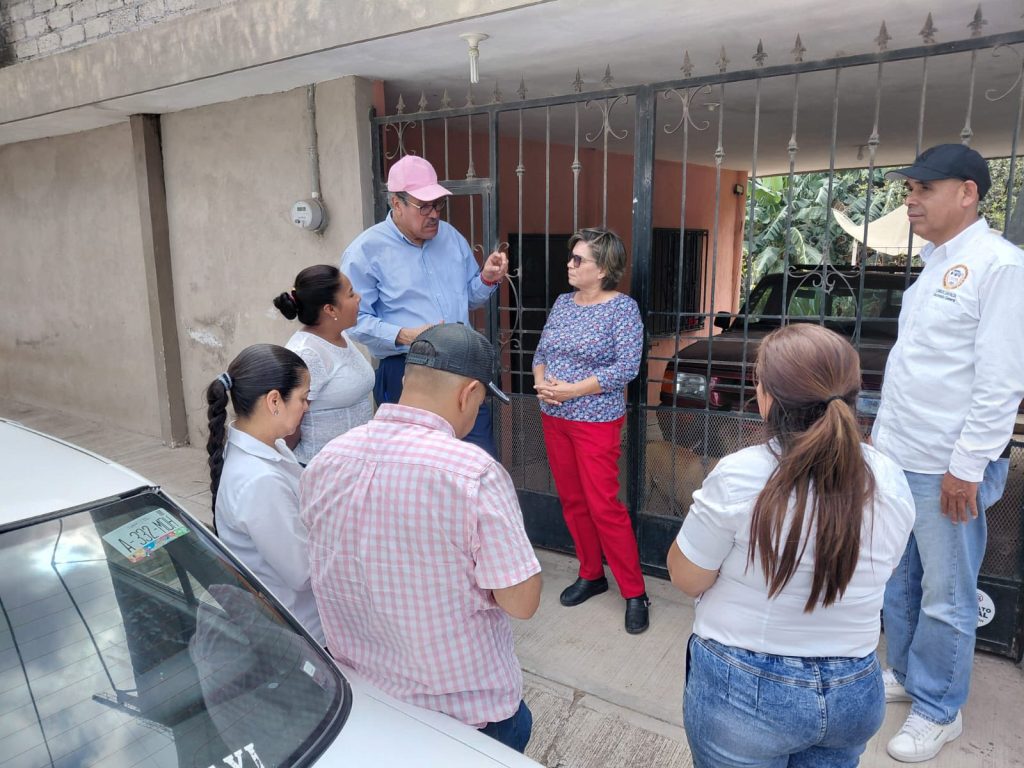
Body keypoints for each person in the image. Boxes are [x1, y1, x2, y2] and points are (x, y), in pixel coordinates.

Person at [667, 323, 916, 768]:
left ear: (767, 398)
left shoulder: (740, 474)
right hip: (854, 689)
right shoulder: (891, 480)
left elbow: (687, 577)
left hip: (744, 688)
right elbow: (884, 569)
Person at [300, 323, 542, 754]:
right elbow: (522, 602)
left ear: (408, 380)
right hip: (467, 713)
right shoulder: (473, 474)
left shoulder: (327, 459)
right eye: (481, 403)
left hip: (366, 700)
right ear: (468, 394)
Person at [873, 143, 1024, 762]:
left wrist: (966, 468)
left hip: (947, 466)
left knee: (947, 593)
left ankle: (940, 708)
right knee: (901, 580)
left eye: (924, 189)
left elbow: (1000, 380)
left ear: (967, 193)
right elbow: (922, 367)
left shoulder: (999, 265)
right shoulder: (935, 263)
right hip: (901, 456)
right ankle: (909, 674)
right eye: (909, 188)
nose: (911, 200)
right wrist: (882, 447)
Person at [342, 154, 508, 458]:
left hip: (461, 366)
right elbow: (353, 320)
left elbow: (469, 298)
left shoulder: (451, 238)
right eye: (424, 206)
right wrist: (405, 335)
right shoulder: (366, 251)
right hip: (408, 369)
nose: (434, 215)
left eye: (438, 205)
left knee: (477, 457)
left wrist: (487, 278)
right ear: (397, 203)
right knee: (413, 462)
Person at [532, 228, 649, 633]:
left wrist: (572, 390)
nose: (570, 264)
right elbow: (542, 351)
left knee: (603, 506)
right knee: (572, 500)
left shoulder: (622, 309)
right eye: (572, 257)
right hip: (554, 415)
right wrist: (542, 382)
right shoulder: (562, 303)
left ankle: (635, 592)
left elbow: (626, 368)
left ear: (602, 269)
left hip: (595, 419)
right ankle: (591, 573)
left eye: (578, 259)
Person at [205, 343, 323, 644]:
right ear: (274, 401)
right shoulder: (259, 480)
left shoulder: (271, 445)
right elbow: (304, 573)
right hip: (303, 631)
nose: (306, 407)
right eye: (303, 398)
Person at [273, 265, 374, 464]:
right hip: (322, 468)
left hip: (355, 463)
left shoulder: (339, 335)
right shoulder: (308, 353)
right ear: (330, 309)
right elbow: (289, 426)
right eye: (351, 294)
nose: (358, 298)